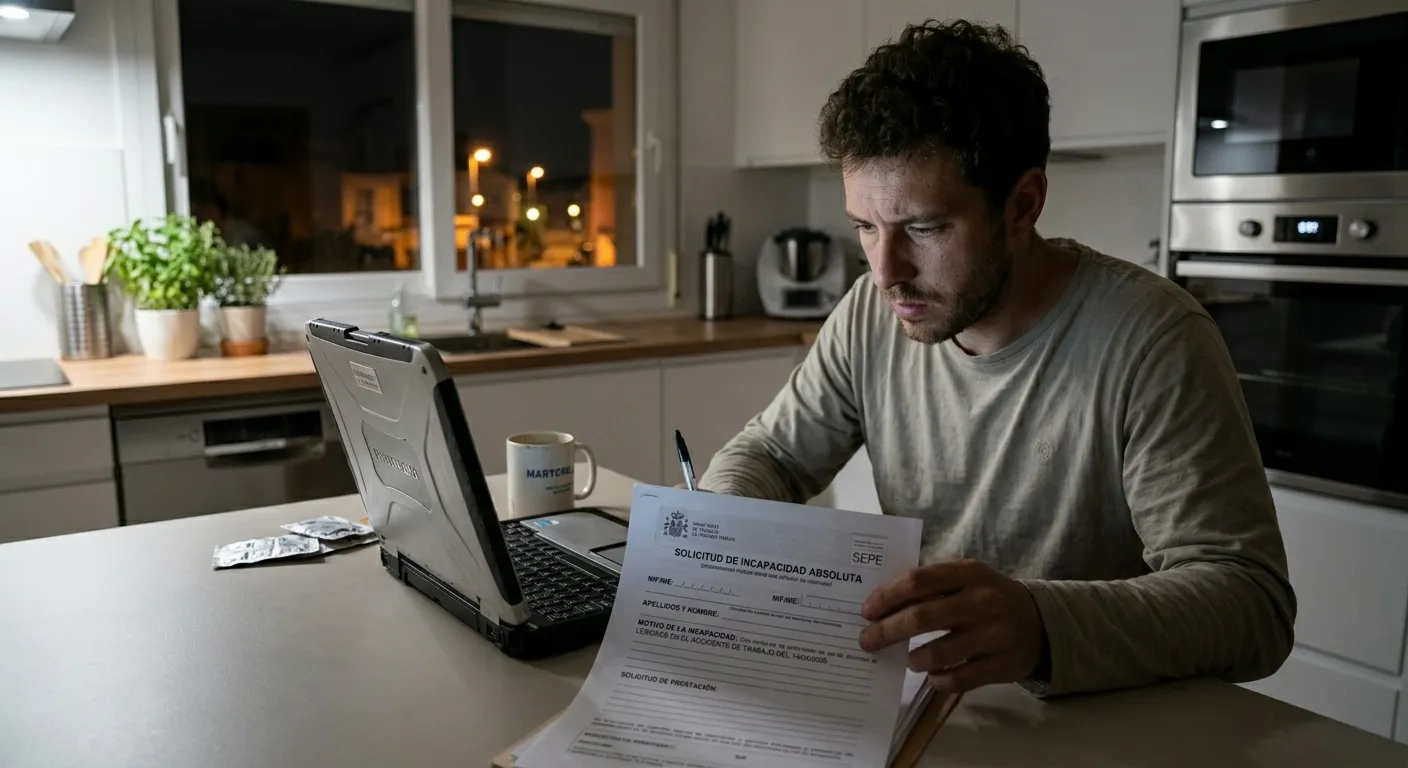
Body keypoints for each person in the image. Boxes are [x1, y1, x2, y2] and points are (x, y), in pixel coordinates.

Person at [697, 20, 1295, 698]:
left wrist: (1042, 625)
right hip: (932, 704)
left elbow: (1251, 605)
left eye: (923, 228)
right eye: (865, 226)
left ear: (1023, 204)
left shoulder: (1153, 337)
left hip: (1092, 722)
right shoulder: (870, 312)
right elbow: (772, 455)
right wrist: (720, 529)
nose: (885, 269)